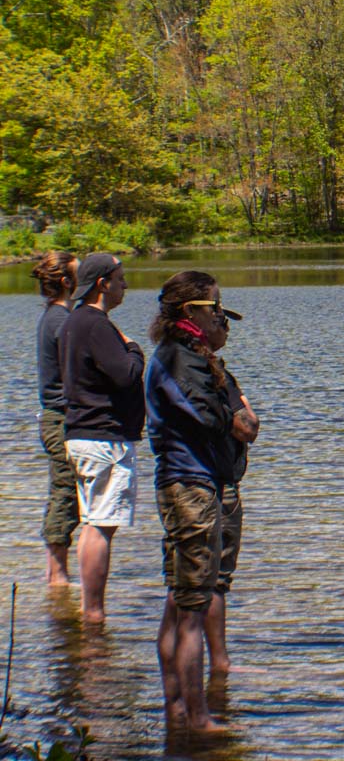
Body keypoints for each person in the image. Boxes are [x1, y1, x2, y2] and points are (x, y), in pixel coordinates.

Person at [146, 272, 258, 731]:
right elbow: (216, 416)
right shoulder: (176, 358)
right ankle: (193, 716)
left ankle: (183, 710)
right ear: (190, 312)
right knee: (189, 606)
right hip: (188, 485)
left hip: (203, 483)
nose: (220, 317)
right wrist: (234, 415)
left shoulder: (196, 357)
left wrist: (237, 416)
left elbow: (244, 419)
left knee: (184, 600)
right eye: (215, 308)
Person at [60, 252, 145, 623]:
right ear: (102, 283)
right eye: (121, 278)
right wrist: (135, 350)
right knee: (101, 524)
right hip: (103, 438)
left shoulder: (74, 322)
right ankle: (93, 612)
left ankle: (88, 608)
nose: (125, 285)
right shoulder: (95, 325)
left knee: (95, 521)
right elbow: (126, 374)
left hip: (84, 434)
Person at [204, 309, 258, 677]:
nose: (227, 330)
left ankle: (211, 676)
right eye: (222, 321)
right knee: (212, 581)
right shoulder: (207, 371)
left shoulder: (184, 362)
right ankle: (219, 667)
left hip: (205, 482)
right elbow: (248, 426)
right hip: (213, 487)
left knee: (191, 583)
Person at [32, 250, 80, 585]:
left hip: (56, 417)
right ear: (67, 282)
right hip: (59, 419)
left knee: (64, 490)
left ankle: (56, 572)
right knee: (65, 492)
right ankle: (57, 575)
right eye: (80, 273)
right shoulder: (61, 321)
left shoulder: (55, 316)